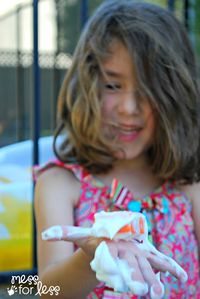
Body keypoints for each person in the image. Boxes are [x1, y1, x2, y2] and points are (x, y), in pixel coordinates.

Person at [34, 1, 200, 298]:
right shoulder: (60, 185)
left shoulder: (190, 188)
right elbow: (47, 290)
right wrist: (92, 259)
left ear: (175, 97)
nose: (128, 108)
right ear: (86, 87)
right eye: (112, 85)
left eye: (148, 90)